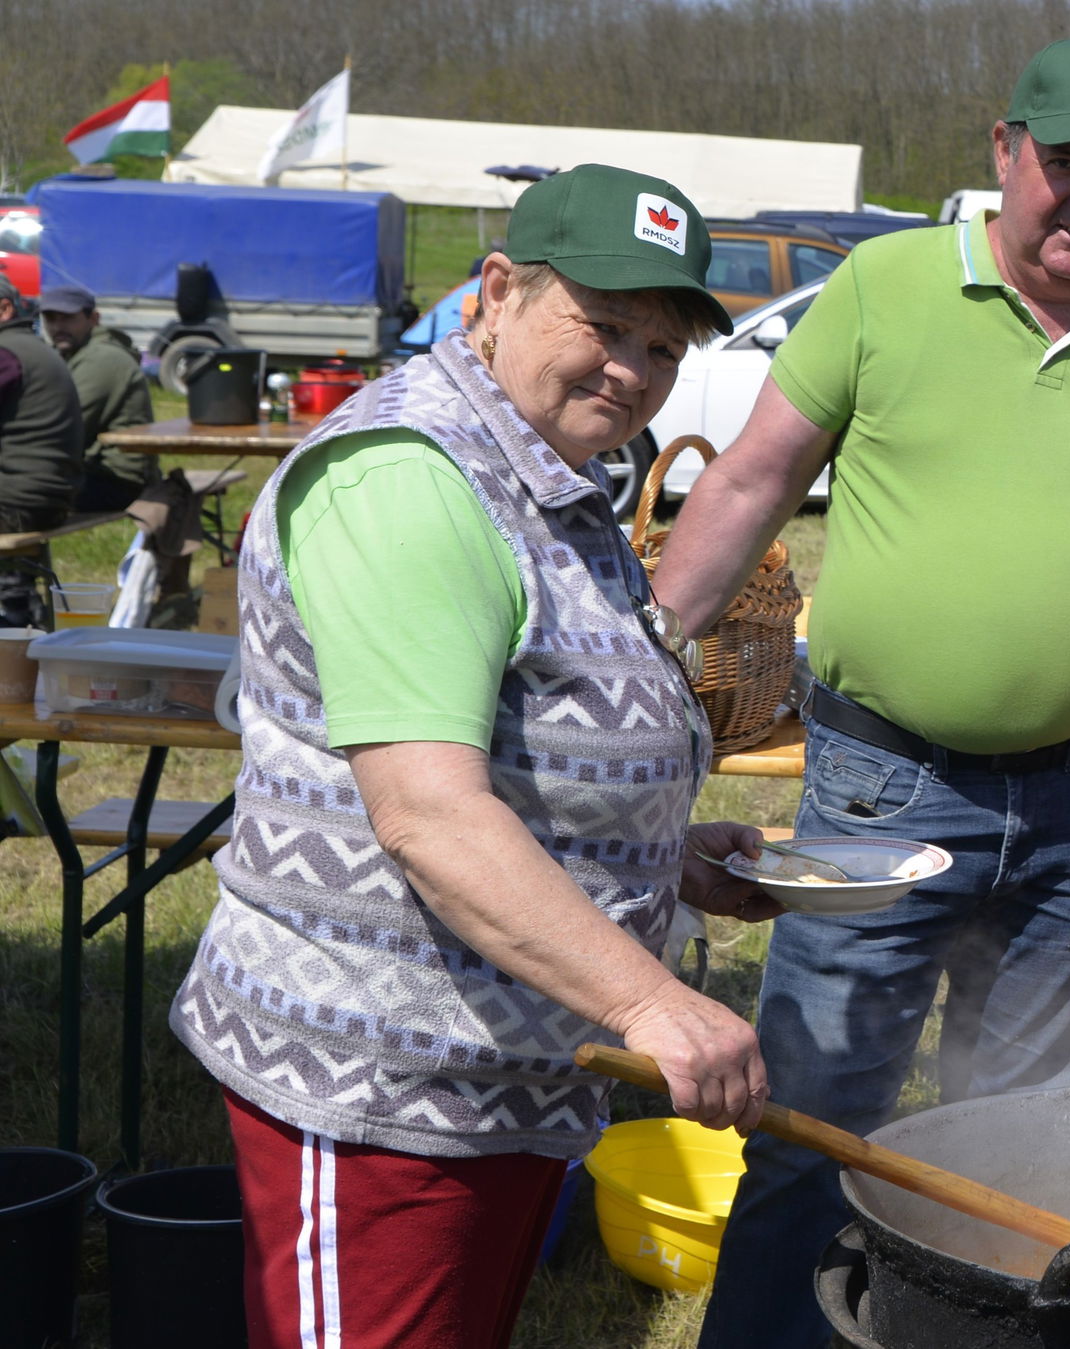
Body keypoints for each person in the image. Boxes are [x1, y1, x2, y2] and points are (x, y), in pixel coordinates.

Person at [658, 38, 1070, 1349]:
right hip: (884, 792)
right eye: (1065, 165)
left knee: (1018, 1159)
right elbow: (753, 478)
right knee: (815, 1132)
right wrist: (651, 645)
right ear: (1005, 154)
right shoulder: (886, 287)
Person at [168, 164, 785, 1349]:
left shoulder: (542, 467)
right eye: (604, 325)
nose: (633, 369)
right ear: (495, 292)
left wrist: (656, 858)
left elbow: (517, 738)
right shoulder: (412, 476)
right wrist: (656, 998)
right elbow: (433, 817)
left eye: (662, 346)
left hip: (504, 1077)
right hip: (380, 1089)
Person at [0, 275, 83, 626]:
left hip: (18, 503)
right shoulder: (28, 347)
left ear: (3, 309)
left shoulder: (7, 354)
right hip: (45, 500)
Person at [37, 281, 158, 512]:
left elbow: (62, 427)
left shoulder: (101, 358)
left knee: (17, 497)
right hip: (94, 471)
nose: (57, 326)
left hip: (117, 479)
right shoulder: (75, 354)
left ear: (93, 318)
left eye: (67, 318)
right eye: (51, 318)